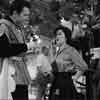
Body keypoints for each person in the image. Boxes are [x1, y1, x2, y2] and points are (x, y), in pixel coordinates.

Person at [0, 0, 35, 99]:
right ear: (15, 13)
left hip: (20, 75)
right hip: (9, 75)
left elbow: (17, 51)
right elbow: (3, 50)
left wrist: (28, 50)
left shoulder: (18, 28)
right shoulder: (3, 25)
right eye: (25, 15)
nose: (28, 18)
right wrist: (27, 46)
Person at [49, 26, 88, 100]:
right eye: (56, 35)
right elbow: (54, 67)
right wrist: (51, 49)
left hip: (65, 83)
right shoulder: (57, 52)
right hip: (56, 82)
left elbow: (83, 66)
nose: (57, 36)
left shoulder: (70, 50)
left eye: (60, 34)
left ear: (66, 37)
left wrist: (75, 78)